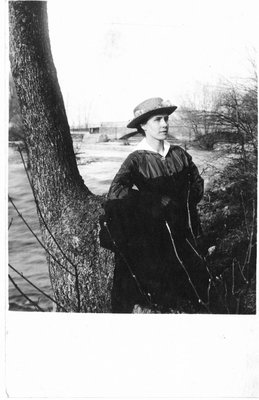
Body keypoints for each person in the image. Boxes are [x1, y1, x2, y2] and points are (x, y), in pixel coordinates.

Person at [102, 97, 210, 313]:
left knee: (197, 287)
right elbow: (115, 191)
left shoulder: (179, 154)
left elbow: (197, 183)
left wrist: (182, 205)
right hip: (157, 236)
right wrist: (153, 201)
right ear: (143, 125)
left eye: (166, 119)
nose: (164, 124)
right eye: (157, 120)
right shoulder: (137, 159)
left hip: (186, 229)